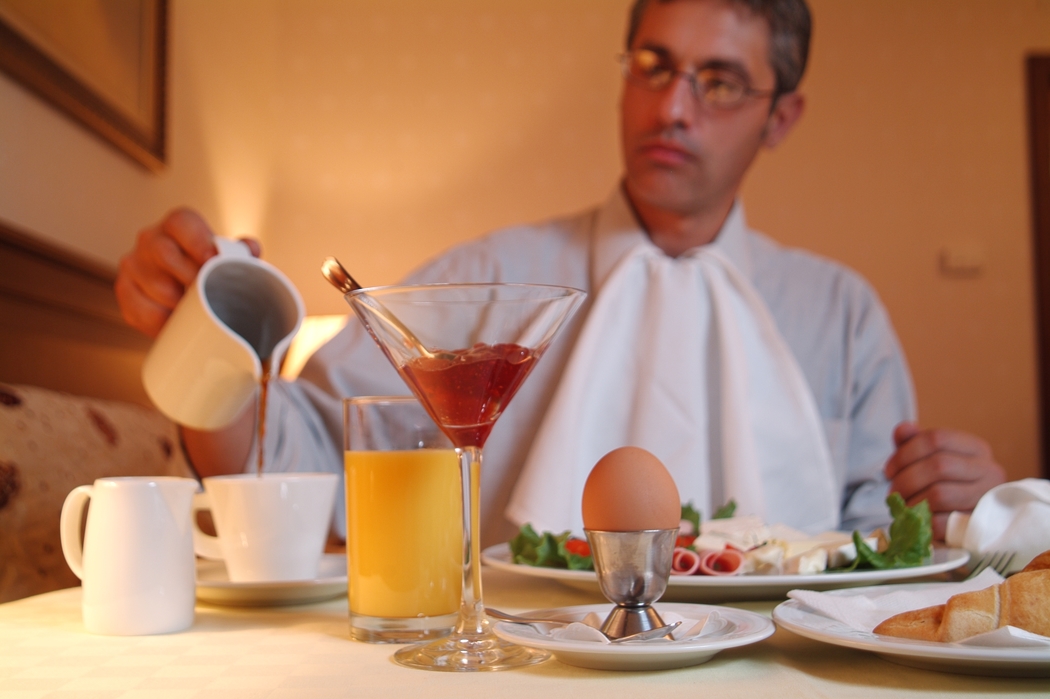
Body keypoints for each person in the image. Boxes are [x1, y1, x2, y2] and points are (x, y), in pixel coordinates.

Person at [115, 0, 1004, 545]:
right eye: (652, 67)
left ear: (782, 116)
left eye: (721, 82)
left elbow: (883, 555)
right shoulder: (483, 281)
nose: (673, 108)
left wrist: (971, 510)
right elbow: (294, 462)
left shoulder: (843, 316)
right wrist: (207, 353)